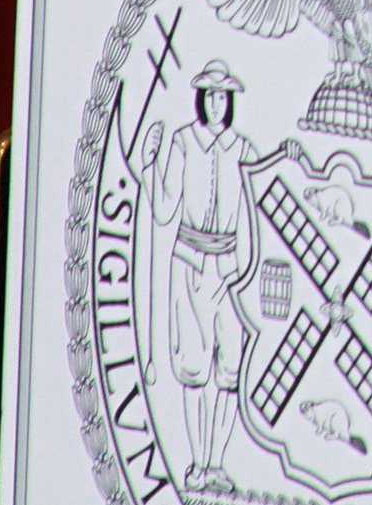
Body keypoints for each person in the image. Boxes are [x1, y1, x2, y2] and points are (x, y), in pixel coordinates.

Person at [144, 59, 255, 496]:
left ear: (229, 102)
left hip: (229, 267)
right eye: (209, 94)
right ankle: (196, 463)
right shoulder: (183, 142)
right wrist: (151, 164)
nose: (215, 102)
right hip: (189, 260)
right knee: (194, 367)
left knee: (229, 369)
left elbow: (256, 205)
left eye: (222, 95)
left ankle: (216, 463)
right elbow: (164, 207)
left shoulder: (242, 149)